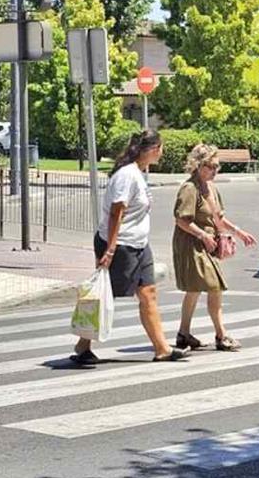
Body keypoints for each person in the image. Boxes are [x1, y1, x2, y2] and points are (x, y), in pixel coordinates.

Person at [71, 130, 188, 364]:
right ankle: (83, 345)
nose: (162, 153)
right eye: (161, 148)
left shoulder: (139, 173)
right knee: (104, 295)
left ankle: (162, 349)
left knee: (148, 294)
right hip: (120, 245)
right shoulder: (127, 175)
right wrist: (110, 249)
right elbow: (117, 212)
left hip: (139, 245)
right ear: (153, 149)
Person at [172, 144, 256, 351]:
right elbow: (181, 220)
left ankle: (183, 334)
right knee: (213, 286)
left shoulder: (211, 188)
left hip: (207, 243)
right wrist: (202, 235)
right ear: (198, 165)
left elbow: (218, 218)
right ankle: (221, 335)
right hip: (191, 243)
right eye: (211, 166)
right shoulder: (189, 188)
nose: (215, 170)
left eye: (217, 166)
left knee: (195, 289)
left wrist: (238, 232)